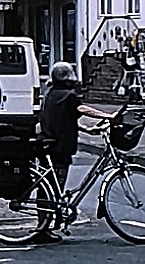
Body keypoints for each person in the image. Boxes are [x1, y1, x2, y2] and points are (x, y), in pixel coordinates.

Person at [38, 62, 117, 194]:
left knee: (48, 185)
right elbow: (82, 108)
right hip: (61, 146)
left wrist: (86, 129)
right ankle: (53, 210)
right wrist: (107, 115)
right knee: (58, 182)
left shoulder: (50, 94)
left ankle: (45, 212)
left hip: (48, 142)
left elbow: (62, 119)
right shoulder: (68, 96)